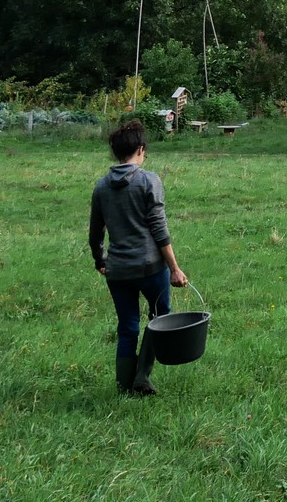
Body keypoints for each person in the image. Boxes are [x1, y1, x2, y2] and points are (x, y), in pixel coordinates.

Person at [89, 118, 189, 395]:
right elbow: (159, 228)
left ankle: (124, 386)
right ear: (141, 150)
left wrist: (101, 260)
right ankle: (141, 378)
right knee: (159, 319)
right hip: (150, 268)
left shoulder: (101, 186)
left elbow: (95, 232)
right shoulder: (149, 181)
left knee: (127, 326)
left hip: (118, 270)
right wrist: (175, 269)